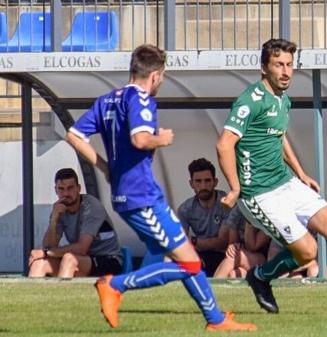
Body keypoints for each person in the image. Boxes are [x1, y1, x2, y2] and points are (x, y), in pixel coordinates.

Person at [65, 44, 255, 331]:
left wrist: (105, 168)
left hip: (132, 194)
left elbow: (74, 135)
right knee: (190, 264)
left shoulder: (106, 100)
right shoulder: (140, 99)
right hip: (141, 197)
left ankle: (215, 319)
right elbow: (140, 139)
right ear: (155, 76)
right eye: (162, 78)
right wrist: (161, 139)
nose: (160, 83)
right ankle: (115, 284)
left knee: (187, 258)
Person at [216, 38, 327, 315]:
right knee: (308, 252)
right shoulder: (249, 101)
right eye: (279, 64)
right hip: (259, 194)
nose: (286, 71)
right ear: (264, 68)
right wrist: (234, 188)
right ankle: (261, 276)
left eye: (290, 65)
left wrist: (300, 173)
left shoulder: (283, 100)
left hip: (285, 183)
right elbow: (224, 144)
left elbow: (278, 136)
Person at [28, 168, 123, 278]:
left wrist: (45, 253)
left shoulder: (91, 206)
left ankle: (62, 294)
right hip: (81, 259)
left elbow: (82, 248)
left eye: (70, 188)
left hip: (108, 259)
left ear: (78, 188)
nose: (66, 194)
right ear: (56, 190)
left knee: (69, 259)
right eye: (61, 189)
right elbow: (49, 246)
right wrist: (54, 220)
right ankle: (31, 295)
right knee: (39, 263)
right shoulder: (59, 209)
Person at [177, 158, 231, 276]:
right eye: (198, 181)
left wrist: (193, 240)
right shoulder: (185, 209)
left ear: (215, 182)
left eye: (207, 181)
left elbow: (222, 242)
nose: (203, 186)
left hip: (225, 255)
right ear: (191, 184)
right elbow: (181, 242)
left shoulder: (227, 203)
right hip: (200, 255)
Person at [213, 207, 270, 278]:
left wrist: (249, 217)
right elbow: (233, 242)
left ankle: (210, 288)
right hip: (245, 258)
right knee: (233, 274)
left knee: (235, 256)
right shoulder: (238, 210)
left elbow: (252, 246)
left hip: (265, 260)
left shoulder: (268, 213)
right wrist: (233, 246)